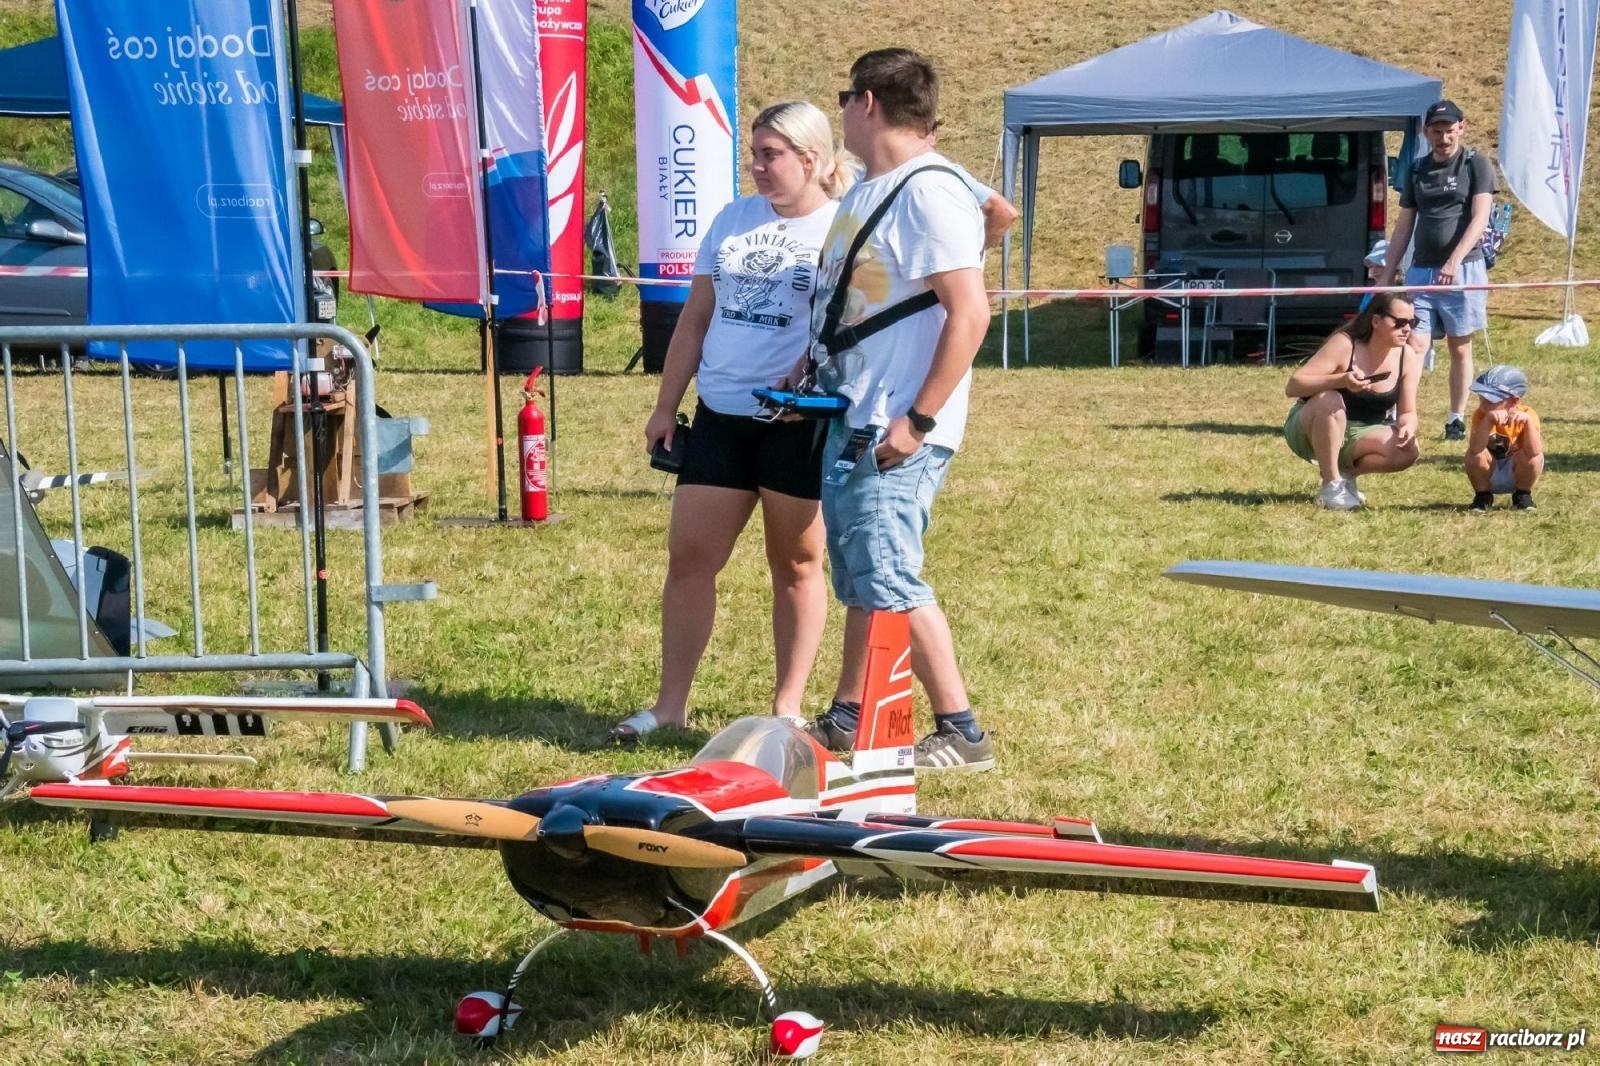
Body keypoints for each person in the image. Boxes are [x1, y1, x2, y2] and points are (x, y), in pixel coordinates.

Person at [613, 102, 852, 744]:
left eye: (771, 154)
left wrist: (805, 368)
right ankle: (670, 706)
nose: (758, 166)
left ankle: (786, 709)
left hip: (796, 422)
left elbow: (851, 323)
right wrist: (666, 404)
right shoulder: (732, 219)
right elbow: (696, 317)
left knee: (796, 564)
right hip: (720, 414)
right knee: (690, 556)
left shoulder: (845, 228)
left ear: (812, 160)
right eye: (754, 152)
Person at [802, 48, 995, 771]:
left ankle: (961, 730)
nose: (843, 110)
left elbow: (969, 313)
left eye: (846, 96)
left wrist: (919, 418)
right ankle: (850, 714)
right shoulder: (874, 189)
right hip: (856, 413)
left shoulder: (927, 192)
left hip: (895, 424)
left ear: (872, 103)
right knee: (861, 574)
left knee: (890, 575)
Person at [1376, 100, 1496, 441]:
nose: (1443, 137)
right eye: (1436, 131)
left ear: (1462, 128)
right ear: (1426, 132)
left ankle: (1455, 418)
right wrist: (1388, 272)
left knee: (1460, 348)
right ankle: (1400, 413)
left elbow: (1480, 218)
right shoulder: (1417, 170)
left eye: (1449, 130)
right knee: (1413, 343)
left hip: (1464, 272)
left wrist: (1454, 260)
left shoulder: (1476, 164)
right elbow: (1404, 224)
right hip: (1421, 273)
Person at [1283, 291, 1422, 510]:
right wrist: (1342, 380)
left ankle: (1344, 476)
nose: (1407, 329)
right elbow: (1294, 386)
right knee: (1329, 399)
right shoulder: (1345, 344)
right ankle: (1331, 485)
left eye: (1413, 322)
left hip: (1359, 432)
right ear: (1376, 321)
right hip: (1310, 425)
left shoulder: (1407, 356)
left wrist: (1407, 427)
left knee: (1409, 451)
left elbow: (1408, 412)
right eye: (1400, 322)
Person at [1465, 364, 1543, 511]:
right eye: (1481, 399)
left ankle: (1522, 496)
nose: (1483, 405)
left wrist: (1527, 424)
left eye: (1490, 401)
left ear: (1513, 401)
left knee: (1533, 457)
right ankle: (1482, 496)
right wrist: (1487, 421)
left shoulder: (1528, 415)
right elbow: (1475, 449)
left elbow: (1535, 452)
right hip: (1490, 471)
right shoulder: (1481, 415)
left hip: (1517, 472)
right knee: (1473, 455)